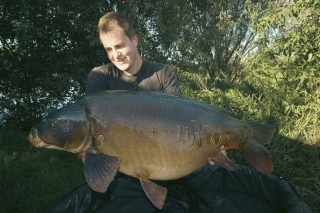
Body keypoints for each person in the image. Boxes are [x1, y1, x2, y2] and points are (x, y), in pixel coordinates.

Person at [49, 11, 313, 213]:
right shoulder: (99, 78)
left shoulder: (163, 73)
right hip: (124, 166)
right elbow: (92, 142)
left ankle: (243, 136)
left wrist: (210, 148)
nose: (116, 54)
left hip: (174, 156)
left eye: (120, 46)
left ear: (135, 40)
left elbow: (180, 123)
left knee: (209, 152)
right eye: (108, 49)